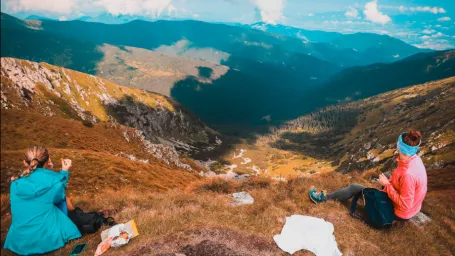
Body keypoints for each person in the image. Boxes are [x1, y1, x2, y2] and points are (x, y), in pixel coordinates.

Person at [309, 129, 427, 221]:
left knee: (354, 187)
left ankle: (322, 199)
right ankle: (375, 198)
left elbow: (406, 204)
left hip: (401, 212)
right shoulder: (415, 159)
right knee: (386, 175)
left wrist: (387, 185)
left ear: (399, 147)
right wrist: (389, 183)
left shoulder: (407, 175)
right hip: (414, 208)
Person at [4, 145, 81, 255]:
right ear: (48, 161)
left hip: (19, 240)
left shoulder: (15, 184)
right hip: (44, 239)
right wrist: (63, 172)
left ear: (25, 163)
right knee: (61, 201)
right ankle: (70, 220)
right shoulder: (52, 181)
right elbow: (59, 198)